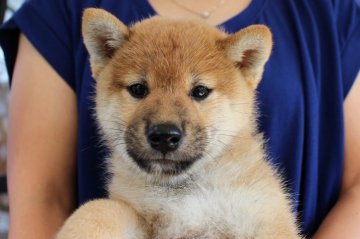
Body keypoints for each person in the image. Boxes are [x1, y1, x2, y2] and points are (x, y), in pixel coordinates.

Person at [0, 0, 359, 238]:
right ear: (103, 55)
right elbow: (41, 198)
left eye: (199, 92)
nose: (165, 122)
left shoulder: (329, 10)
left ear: (246, 64)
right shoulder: (59, 7)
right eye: (139, 89)